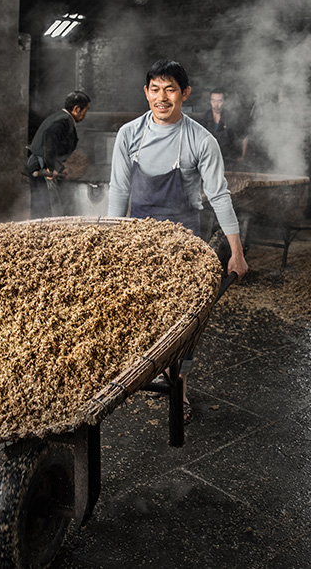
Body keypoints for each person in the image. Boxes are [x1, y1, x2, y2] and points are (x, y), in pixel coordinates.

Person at [108, 60, 248, 423]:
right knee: (143, 312)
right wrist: (108, 241)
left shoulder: (201, 140)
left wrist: (236, 252)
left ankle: (179, 386)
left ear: (185, 94)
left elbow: (219, 195)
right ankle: (150, 369)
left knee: (185, 322)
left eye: (170, 89)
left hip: (184, 243)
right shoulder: (129, 135)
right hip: (138, 241)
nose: (162, 97)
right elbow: (119, 191)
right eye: (155, 89)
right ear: (146, 93)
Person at [26, 91, 91, 219]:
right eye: (85, 110)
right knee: (44, 205)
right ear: (76, 109)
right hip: (40, 165)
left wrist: (60, 168)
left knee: (44, 205)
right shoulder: (63, 121)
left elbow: (53, 146)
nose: (85, 114)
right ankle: (42, 234)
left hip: (40, 164)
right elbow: (49, 141)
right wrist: (52, 168)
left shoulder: (62, 118)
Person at [203, 87, 248, 166]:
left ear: (224, 101)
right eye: (213, 101)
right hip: (209, 161)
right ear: (210, 101)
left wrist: (242, 157)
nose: (216, 105)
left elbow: (245, 136)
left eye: (219, 101)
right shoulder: (204, 118)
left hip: (228, 162)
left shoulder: (231, 117)